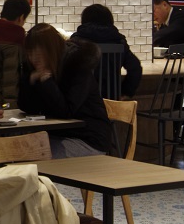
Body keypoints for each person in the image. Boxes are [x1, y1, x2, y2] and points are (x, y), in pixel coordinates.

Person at [21, 23, 115, 156]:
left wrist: (46, 80)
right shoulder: (40, 69)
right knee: (20, 150)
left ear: (51, 48)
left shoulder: (77, 65)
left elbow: (66, 111)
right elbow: (27, 108)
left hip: (88, 139)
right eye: (30, 52)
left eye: (38, 50)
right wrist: (30, 81)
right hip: (57, 135)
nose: (33, 57)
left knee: (33, 156)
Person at [74, 2, 142, 98]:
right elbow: (135, 68)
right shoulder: (119, 41)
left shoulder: (76, 41)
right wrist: (125, 92)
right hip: (112, 100)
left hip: (81, 102)